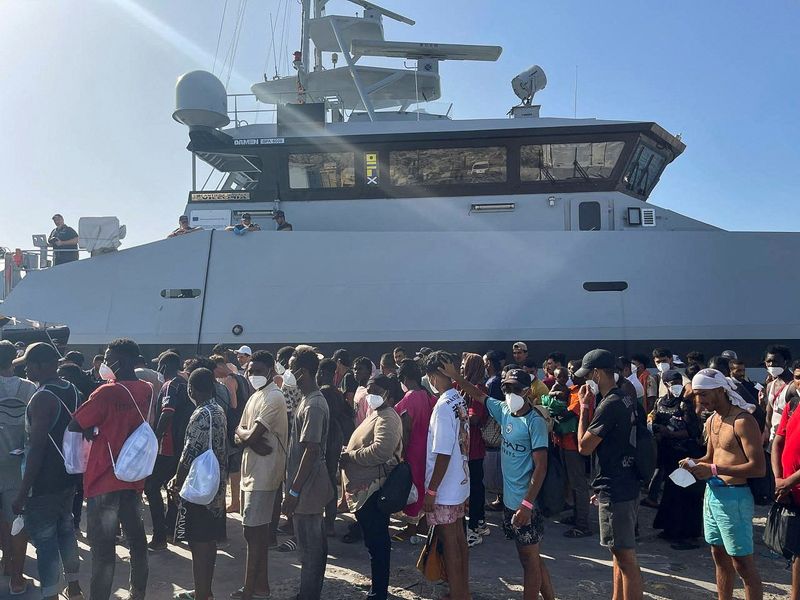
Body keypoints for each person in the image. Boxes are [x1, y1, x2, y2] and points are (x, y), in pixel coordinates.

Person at [446, 363, 554, 600]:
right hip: (510, 502)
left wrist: (526, 505)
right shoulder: (503, 410)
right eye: (506, 388)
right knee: (532, 558)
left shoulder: (533, 422)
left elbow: (541, 466)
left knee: (529, 561)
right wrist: (455, 376)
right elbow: (477, 394)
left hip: (526, 504)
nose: (510, 393)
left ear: (527, 391)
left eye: (515, 388)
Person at [70, 338, 153, 600]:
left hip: (105, 477)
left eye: (109, 357)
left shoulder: (107, 392)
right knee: (137, 542)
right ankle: (137, 593)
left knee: (104, 551)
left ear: (124, 360)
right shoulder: (147, 389)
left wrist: (90, 429)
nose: (105, 363)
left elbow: (76, 423)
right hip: (133, 477)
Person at [10, 343, 83, 600]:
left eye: (29, 365)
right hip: (68, 477)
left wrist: (22, 492)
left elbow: (37, 449)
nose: (27, 370)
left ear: (42, 365)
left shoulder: (42, 398)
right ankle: (74, 589)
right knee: (66, 531)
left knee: (45, 543)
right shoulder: (72, 390)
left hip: (43, 483)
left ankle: (50, 595)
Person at [684, 368, 764, 600]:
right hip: (712, 495)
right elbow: (711, 457)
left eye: (703, 394)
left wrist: (714, 469)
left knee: (742, 563)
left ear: (720, 391)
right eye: (697, 395)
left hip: (735, 497)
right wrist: (693, 463)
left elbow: (758, 468)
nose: (700, 400)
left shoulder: (743, 421)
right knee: (718, 556)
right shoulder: (712, 420)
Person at [576, 349, 644, 600]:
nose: (586, 382)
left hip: (616, 487)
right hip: (625, 482)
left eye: (587, 376)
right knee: (618, 553)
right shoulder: (626, 397)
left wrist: (584, 409)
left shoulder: (609, 405)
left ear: (596, 373)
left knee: (625, 557)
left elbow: (584, 446)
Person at [341, 372, 403, 600]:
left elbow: (381, 451)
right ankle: (377, 588)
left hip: (374, 490)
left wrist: (351, 456)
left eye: (376, 391)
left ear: (387, 393)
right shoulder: (376, 414)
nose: (371, 395)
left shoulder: (388, 418)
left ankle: (379, 592)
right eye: (369, 390)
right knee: (373, 542)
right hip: (364, 489)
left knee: (378, 543)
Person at [168, 368, 227, 600]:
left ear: (191, 389)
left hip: (199, 487)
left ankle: (202, 594)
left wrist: (176, 481)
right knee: (209, 540)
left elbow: (189, 451)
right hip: (216, 486)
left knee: (198, 541)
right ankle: (205, 590)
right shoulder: (218, 410)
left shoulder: (201, 414)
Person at [234, 351, 288, 600]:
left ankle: (249, 589)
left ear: (270, 371)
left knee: (254, 531)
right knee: (253, 531)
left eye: (257, 370)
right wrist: (251, 442)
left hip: (265, 475)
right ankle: (260, 586)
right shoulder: (256, 396)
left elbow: (248, 433)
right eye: (250, 370)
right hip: (251, 470)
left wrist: (247, 438)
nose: (252, 374)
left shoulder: (274, 397)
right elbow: (238, 432)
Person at [282, 347, 333, 600]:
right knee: (311, 546)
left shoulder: (313, 404)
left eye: (291, 368)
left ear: (302, 372)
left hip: (308, 487)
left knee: (311, 548)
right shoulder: (306, 399)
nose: (288, 373)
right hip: (306, 484)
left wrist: (293, 490)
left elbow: (311, 451)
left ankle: (309, 595)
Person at [421, 351, 470, 600]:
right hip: (459, 483)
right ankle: (463, 591)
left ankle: (459, 595)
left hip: (445, 488)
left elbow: (441, 453)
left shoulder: (442, 407)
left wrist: (431, 491)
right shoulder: (459, 400)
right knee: (460, 540)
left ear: (433, 376)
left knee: (450, 544)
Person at [650, 371, 705, 550]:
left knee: (684, 493)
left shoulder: (685, 404)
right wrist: (655, 427)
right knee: (670, 493)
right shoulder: (660, 402)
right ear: (664, 384)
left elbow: (692, 431)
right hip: (667, 454)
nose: (676, 385)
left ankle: (686, 534)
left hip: (684, 454)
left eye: (678, 382)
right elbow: (653, 417)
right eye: (672, 382)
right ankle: (669, 528)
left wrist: (671, 434)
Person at [0, 341, 36, 594]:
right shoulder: (29, 388)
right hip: (17, 466)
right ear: (14, 360)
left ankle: (4, 560)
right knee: (17, 521)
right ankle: (16, 578)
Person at [145, 351, 190, 551]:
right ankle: (172, 528)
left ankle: (159, 536)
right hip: (184, 446)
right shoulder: (186, 384)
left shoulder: (170, 385)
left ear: (163, 367)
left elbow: (166, 413)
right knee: (173, 487)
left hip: (168, 446)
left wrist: (155, 439)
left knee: (151, 487)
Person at [393, 359, 434, 540]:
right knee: (423, 485)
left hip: (413, 449)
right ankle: (424, 523)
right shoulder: (427, 396)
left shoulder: (410, 397)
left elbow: (407, 427)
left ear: (405, 378)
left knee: (412, 487)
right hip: (427, 447)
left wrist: (402, 452)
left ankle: (410, 527)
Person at [552, 359, 592, 538]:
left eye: (573, 370)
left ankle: (582, 524)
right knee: (572, 482)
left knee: (579, 484)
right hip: (564, 442)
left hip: (574, 445)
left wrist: (552, 404)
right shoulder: (572, 390)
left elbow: (568, 413)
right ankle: (577, 515)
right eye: (568, 369)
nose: (570, 374)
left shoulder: (584, 392)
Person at [771, 359, 800, 600]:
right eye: (798, 377)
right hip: (790, 490)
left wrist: (787, 482)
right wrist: (778, 478)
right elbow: (778, 441)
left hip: (792, 485)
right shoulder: (792, 404)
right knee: (794, 548)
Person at [211, 355, 251, 514]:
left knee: (234, 468)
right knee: (240, 466)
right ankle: (239, 501)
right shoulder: (242, 378)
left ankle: (235, 502)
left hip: (233, 427)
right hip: (244, 424)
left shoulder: (228, 381)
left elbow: (232, 405)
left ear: (219, 366)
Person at [459, 353, 490, 546]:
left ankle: (475, 529)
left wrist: (457, 416)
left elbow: (476, 418)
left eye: (464, 365)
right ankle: (479, 522)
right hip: (467, 447)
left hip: (474, 447)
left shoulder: (478, 389)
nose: (461, 368)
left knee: (474, 487)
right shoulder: (464, 388)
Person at [352, 356, 373, 426]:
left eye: (360, 369)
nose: (356, 372)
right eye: (355, 369)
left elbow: (370, 420)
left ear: (369, 371)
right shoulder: (359, 388)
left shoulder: (370, 392)